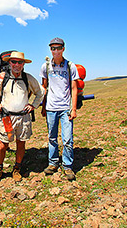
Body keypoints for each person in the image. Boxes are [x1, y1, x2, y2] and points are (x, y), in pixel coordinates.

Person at [0, 51, 44, 183]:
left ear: (23, 64)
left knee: (21, 143)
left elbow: (40, 92)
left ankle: (17, 169)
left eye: (20, 62)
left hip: (23, 117)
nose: (16, 65)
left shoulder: (28, 78)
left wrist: (33, 106)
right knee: (2, 145)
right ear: (9, 63)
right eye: (14, 62)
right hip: (7, 117)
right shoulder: (2, 77)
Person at [40, 37, 79, 181]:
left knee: (67, 139)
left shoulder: (70, 66)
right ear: (50, 49)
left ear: (63, 49)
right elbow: (44, 87)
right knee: (52, 137)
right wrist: (43, 106)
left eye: (58, 48)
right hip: (51, 107)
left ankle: (67, 166)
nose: (55, 51)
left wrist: (73, 108)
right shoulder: (46, 66)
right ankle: (53, 163)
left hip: (65, 108)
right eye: (53, 48)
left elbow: (74, 88)